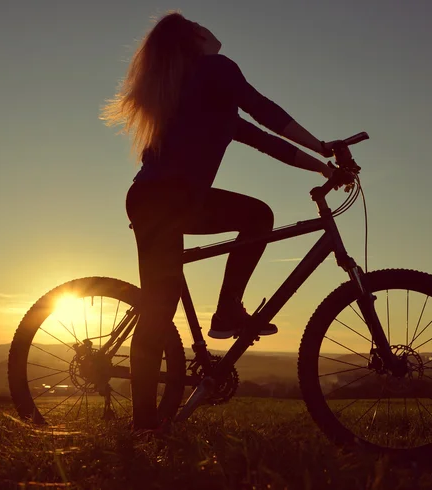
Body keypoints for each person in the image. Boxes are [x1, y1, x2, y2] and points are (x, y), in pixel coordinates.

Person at [101, 11, 334, 431]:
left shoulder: (203, 93)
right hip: (166, 203)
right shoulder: (216, 70)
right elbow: (265, 112)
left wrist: (322, 165)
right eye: (198, 24)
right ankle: (224, 316)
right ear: (195, 38)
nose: (209, 28)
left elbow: (267, 141)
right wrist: (322, 147)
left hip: (158, 202)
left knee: (161, 307)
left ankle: (147, 422)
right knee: (164, 305)